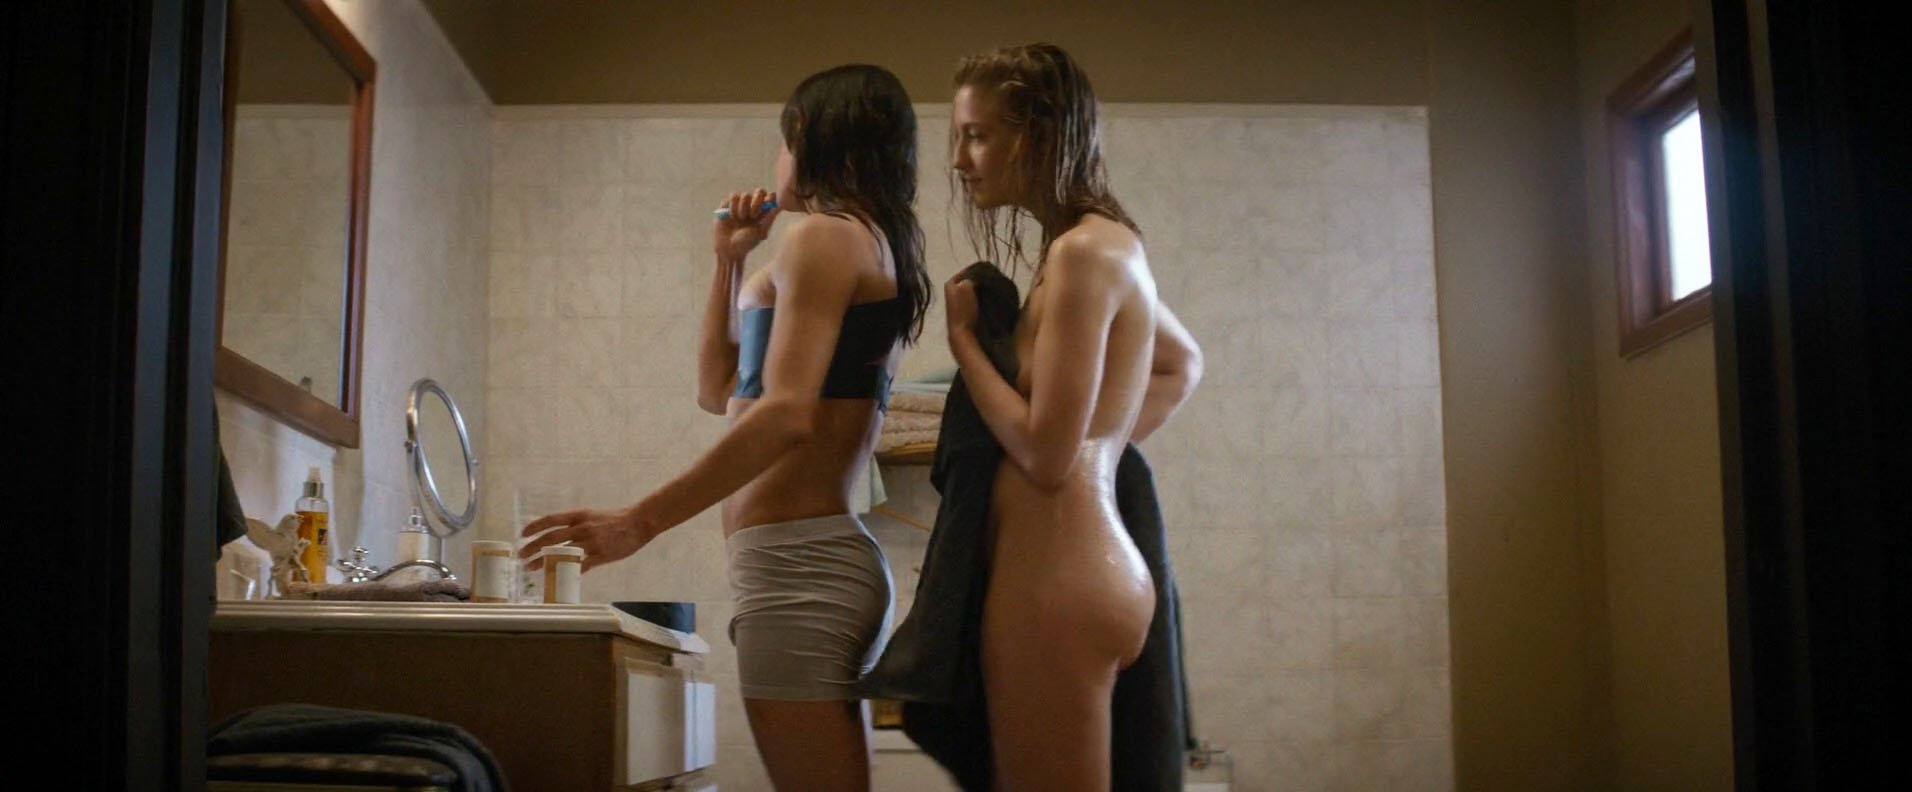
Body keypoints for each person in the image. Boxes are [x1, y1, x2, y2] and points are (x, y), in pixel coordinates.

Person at [519, 63, 932, 791]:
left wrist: (639, 522)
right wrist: (729, 263)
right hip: (801, 563)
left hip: (803, 566)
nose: (777, 161)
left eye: (782, 141)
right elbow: (719, 392)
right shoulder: (852, 241)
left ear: (808, 136)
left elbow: (787, 414)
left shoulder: (827, 237)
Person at [943, 42, 1203, 789]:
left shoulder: (1083, 254)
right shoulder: (1101, 245)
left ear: (1036, 132)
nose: (960, 160)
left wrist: (965, 345)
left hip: (1056, 579)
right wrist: (1105, 450)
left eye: (977, 135)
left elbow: (1047, 454)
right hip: (1084, 569)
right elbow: (1181, 363)